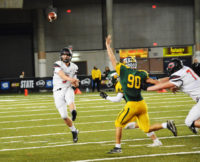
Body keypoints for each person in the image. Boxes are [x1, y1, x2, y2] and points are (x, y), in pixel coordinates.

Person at [105, 35, 177, 154]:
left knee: (118, 123)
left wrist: (108, 45)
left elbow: (112, 58)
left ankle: (117, 147)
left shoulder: (122, 70)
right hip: (142, 104)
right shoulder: (141, 73)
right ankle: (166, 125)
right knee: (146, 128)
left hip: (132, 105)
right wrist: (171, 84)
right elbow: (157, 82)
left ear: (125, 64)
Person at [100, 77, 163, 147]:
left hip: (133, 107)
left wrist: (106, 97)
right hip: (136, 104)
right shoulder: (123, 82)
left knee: (122, 124)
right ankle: (156, 140)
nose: (109, 82)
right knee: (128, 125)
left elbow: (117, 99)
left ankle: (162, 129)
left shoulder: (120, 85)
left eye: (110, 80)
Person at [147, 58, 200, 134]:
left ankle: (194, 126)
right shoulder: (185, 69)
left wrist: (148, 88)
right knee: (195, 118)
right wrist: (156, 80)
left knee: (189, 122)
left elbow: (164, 85)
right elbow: (171, 80)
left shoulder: (179, 74)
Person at [53, 47, 79, 143]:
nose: (65, 56)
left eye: (67, 55)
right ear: (61, 56)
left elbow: (75, 83)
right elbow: (62, 76)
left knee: (70, 100)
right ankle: (74, 130)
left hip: (68, 88)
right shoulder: (57, 64)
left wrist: (76, 83)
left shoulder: (74, 67)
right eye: (63, 54)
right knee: (64, 116)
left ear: (70, 56)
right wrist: (72, 80)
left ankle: (73, 111)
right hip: (57, 90)